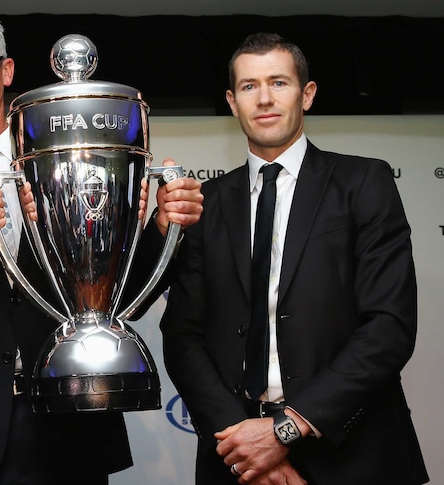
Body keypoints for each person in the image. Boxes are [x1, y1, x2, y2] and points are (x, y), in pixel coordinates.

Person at [0, 7, 202, 485]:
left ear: (6, 70)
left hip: (71, 428)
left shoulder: (71, 159)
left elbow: (120, 298)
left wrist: (161, 226)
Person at [160, 32, 428, 485]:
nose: (264, 98)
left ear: (307, 94)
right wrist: (245, 445)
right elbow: (183, 336)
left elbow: (390, 325)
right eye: (248, 86)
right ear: (232, 101)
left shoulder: (364, 182)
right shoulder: (204, 204)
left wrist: (287, 429)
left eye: (279, 82)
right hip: (238, 459)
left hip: (354, 453)